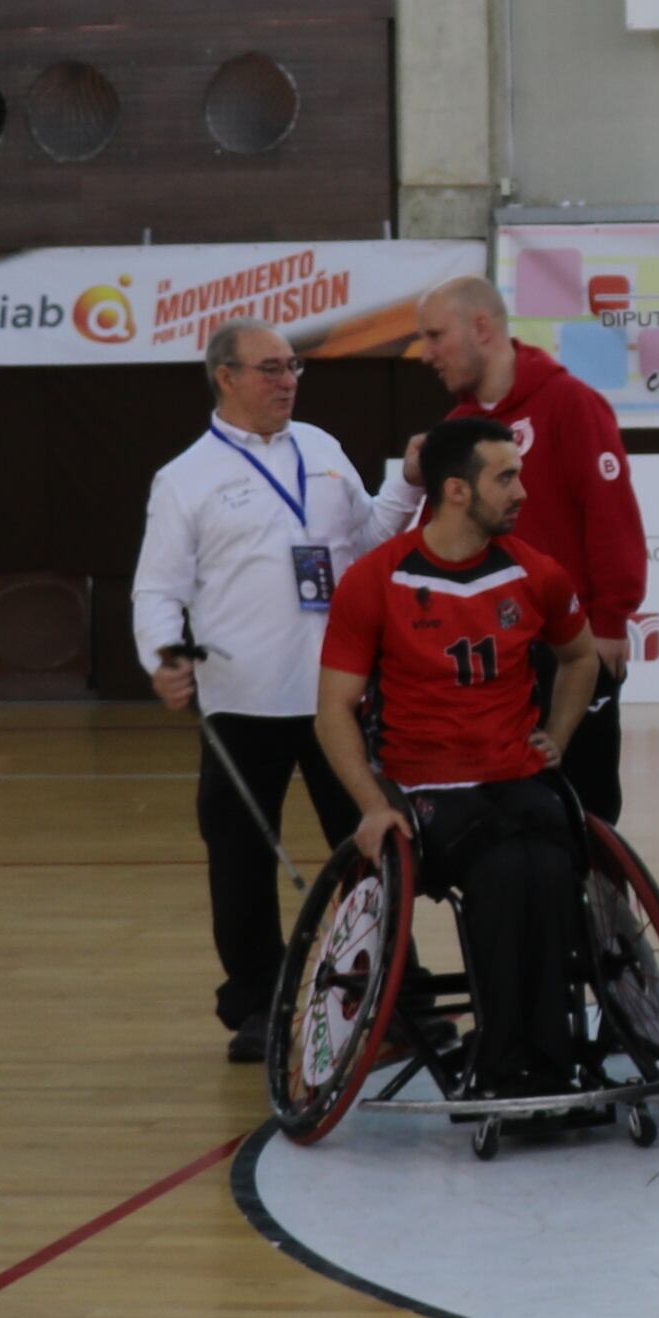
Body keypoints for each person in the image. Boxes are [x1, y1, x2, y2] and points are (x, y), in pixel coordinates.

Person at [315, 418, 604, 1107]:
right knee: (503, 869)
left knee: (552, 858)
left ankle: (552, 1056)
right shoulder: (375, 579)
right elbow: (333, 711)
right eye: (506, 477)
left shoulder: (535, 572)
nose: (521, 491)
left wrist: (557, 734)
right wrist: (372, 805)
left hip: (515, 774)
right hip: (426, 786)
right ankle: (504, 1062)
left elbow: (581, 657)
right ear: (455, 490)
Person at [134, 320, 374, 1063]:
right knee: (239, 861)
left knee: (371, 844)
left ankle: (389, 991)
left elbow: (371, 543)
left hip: (338, 696)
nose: (287, 380)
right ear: (226, 376)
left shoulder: (324, 450)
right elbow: (158, 588)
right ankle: (259, 1004)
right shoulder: (186, 477)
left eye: (293, 366)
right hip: (242, 700)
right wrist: (163, 655)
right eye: (270, 368)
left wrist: (408, 486)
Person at [382, 278, 651, 823]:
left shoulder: (570, 403)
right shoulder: (454, 432)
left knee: (589, 814)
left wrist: (609, 621)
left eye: (435, 336)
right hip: (490, 659)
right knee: (508, 813)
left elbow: (611, 516)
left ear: (481, 328)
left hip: (573, 646)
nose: (426, 353)